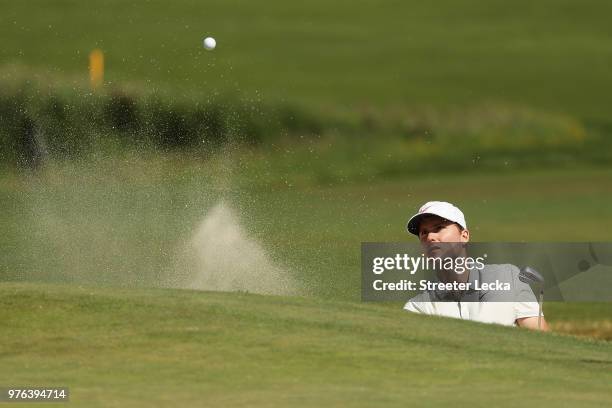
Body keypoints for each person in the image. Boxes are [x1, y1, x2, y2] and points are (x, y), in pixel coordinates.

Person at [403, 201, 550, 331]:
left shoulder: (508, 278)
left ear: (464, 236)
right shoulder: (417, 308)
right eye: (424, 233)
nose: (430, 237)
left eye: (439, 228)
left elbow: (542, 344)